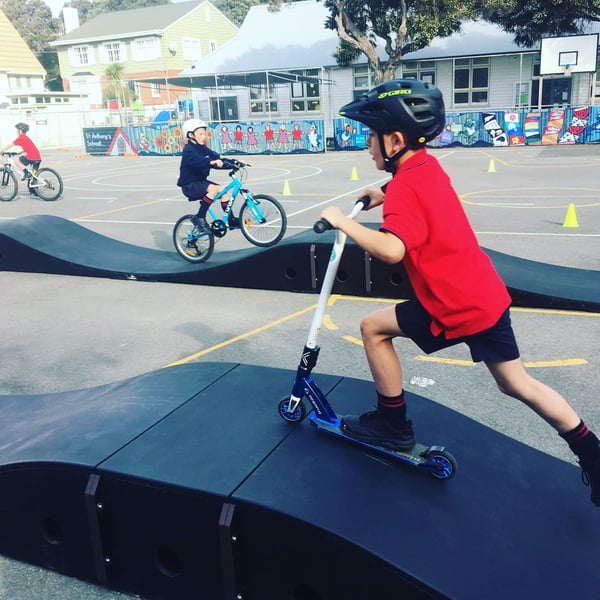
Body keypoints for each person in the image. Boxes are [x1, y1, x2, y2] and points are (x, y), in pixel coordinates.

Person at [319, 79, 600, 506]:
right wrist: (385, 191)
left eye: (371, 137)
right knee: (516, 382)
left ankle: (393, 427)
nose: (368, 145)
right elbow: (417, 191)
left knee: (372, 328)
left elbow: (394, 249)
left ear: (395, 140)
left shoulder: (407, 187)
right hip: (484, 296)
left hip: (452, 304)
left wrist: (345, 221)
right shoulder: (423, 168)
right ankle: (593, 455)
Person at [177, 118, 236, 233]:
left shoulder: (203, 148)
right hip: (189, 185)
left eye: (204, 133)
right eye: (200, 134)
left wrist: (233, 163)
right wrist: (210, 163)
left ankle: (231, 219)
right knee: (213, 189)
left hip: (200, 183)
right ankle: (200, 217)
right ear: (190, 135)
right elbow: (198, 161)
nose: (204, 136)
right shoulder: (189, 150)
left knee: (223, 191)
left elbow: (216, 158)